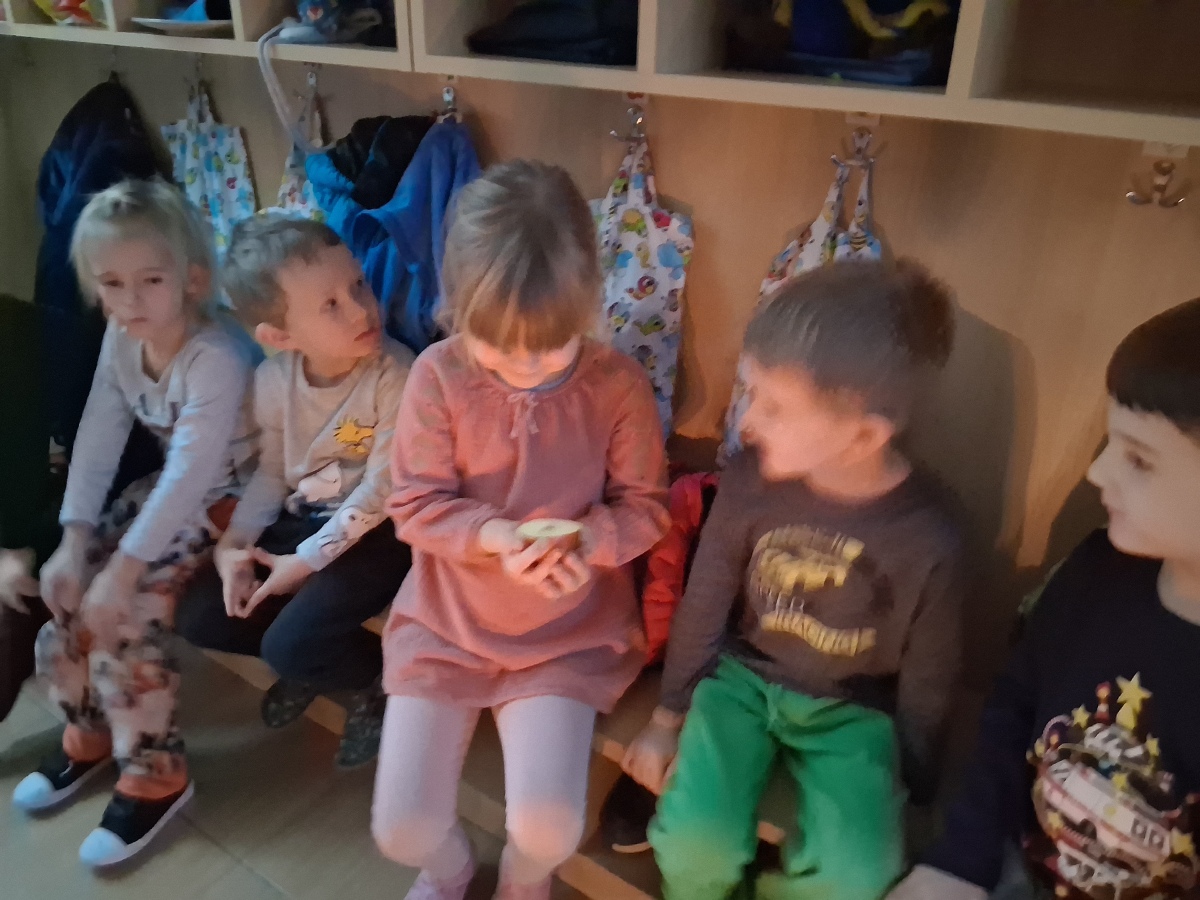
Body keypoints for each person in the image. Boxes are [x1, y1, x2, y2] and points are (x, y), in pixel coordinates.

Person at [370, 159, 671, 900]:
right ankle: (450, 873)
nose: (527, 366)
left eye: (550, 345)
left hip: (566, 636)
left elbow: (646, 507)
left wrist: (589, 541)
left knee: (548, 830)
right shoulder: (438, 375)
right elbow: (414, 503)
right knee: (401, 828)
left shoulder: (617, 384)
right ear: (457, 307)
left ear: (588, 304)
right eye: (499, 346)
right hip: (446, 624)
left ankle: (519, 884)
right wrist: (494, 539)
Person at [625, 260, 967, 900]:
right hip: (741, 686)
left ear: (862, 435)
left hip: (853, 713)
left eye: (775, 406)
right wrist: (669, 714)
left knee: (855, 874)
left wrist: (916, 783)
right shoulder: (750, 480)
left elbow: (932, 671)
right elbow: (707, 596)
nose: (747, 421)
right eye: (752, 393)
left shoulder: (929, 537)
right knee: (694, 839)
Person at [889, 298, 1200, 900]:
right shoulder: (1094, 573)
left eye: (1139, 459)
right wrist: (959, 863)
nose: (1098, 473)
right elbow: (1014, 712)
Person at [11, 179, 257, 868]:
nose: (129, 302)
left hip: (232, 497)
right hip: (173, 488)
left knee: (129, 608)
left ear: (192, 279)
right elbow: (99, 430)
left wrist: (123, 575)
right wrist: (74, 541)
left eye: (150, 280)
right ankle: (88, 733)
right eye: (111, 284)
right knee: (68, 591)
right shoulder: (123, 336)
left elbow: (193, 474)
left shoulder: (216, 356)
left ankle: (156, 774)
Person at [176, 217, 415, 769]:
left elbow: (381, 491)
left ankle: (377, 680)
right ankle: (315, 660)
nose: (361, 310)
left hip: (379, 533)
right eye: (331, 305)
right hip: (308, 519)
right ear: (280, 337)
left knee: (288, 646)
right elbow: (274, 472)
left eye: (358, 285)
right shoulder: (273, 381)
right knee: (201, 615)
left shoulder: (396, 373)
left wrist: (305, 562)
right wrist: (234, 544)